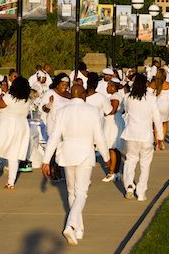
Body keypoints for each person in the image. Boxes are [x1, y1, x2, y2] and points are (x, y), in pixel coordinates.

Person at [42, 84, 109, 246]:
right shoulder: (92, 111)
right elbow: (99, 137)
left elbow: (54, 138)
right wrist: (106, 157)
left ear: (71, 95)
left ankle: (79, 228)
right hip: (85, 154)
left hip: (66, 154)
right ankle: (71, 225)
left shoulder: (62, 111)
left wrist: (45, 160)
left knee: (72, 192)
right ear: (84, 95)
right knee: (81, 193)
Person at [0, 77, 31, 190]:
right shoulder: (27, 100)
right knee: (14, 155)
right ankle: (11, 183)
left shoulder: (9, 97)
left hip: (6, 127)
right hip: (20, 128)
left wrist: (3, 91)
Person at [121, 73, 163, 201]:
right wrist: (160, 136)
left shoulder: (128, 97)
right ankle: (141, 192)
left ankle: (129, 186)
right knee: (145, 165)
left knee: (130, 161)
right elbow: (157, 118)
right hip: (146, 136)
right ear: (146, 84)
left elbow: (126, 112)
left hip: (131, 134)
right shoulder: (151, 98)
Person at [40, 73, 71, 180]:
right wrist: (49, 103)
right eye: (62, 84)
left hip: (66, 125)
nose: (65, 86)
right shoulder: (51, 93)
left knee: (62, 148)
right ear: (57, 84)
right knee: (53, 147)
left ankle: (60, 169)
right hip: (54, 125)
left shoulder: (69, 94)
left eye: (66, 84)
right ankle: (53, 171)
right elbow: (44, 109)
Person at [102, 78, 125, 182]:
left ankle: (112, 172)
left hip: (112, 122)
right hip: (116, 120)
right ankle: (116, 172)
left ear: (113, 87)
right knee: (115, 148)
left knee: (112, 147)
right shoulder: (118, 95)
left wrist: (103, 112)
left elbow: (113, 110)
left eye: (108, 86)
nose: (107, 88)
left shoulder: (115, 96)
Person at [148, 68, 169, 149]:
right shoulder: (168, 85)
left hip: (156, 106)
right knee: (164, 124)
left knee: (156, 125)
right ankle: (162, 141)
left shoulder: (152, 84)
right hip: (165, 106)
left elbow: (148, 96)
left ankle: (157, 143)